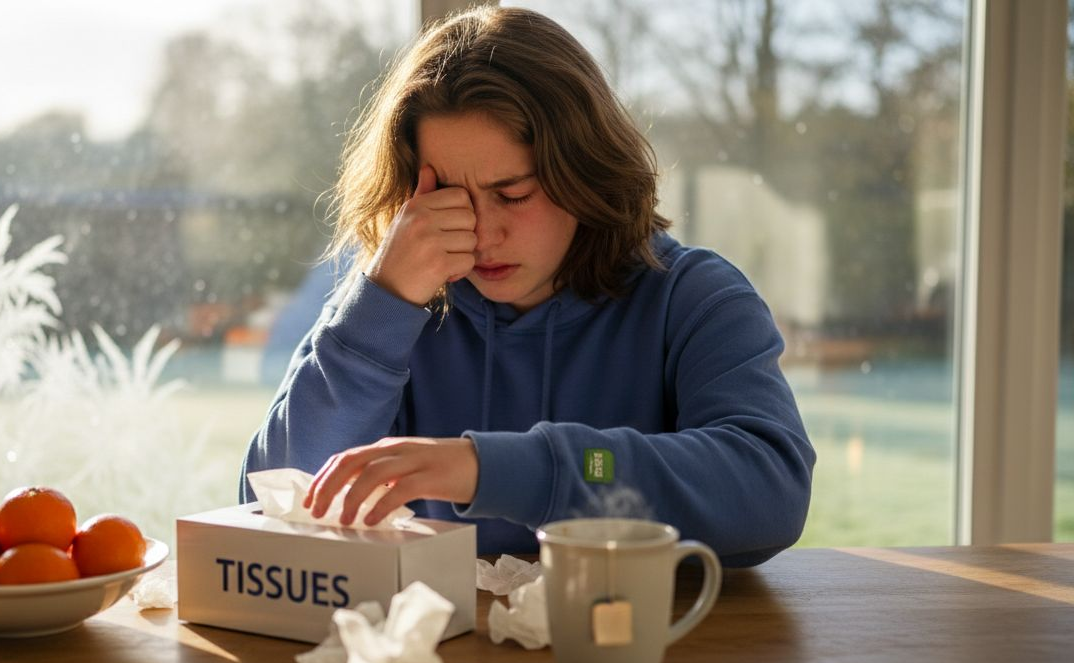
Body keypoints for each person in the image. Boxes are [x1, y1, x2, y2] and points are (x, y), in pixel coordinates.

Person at [240, 6, 815, 567]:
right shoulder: (393, 306)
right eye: (449, 199)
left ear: (585, 172)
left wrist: (499, 470)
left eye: (512, 193)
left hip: (641, 654)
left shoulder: (693, 298)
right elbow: (270, 506)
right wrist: (380, 307)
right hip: (442, 656)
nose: (481, 232)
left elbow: (769, 488)